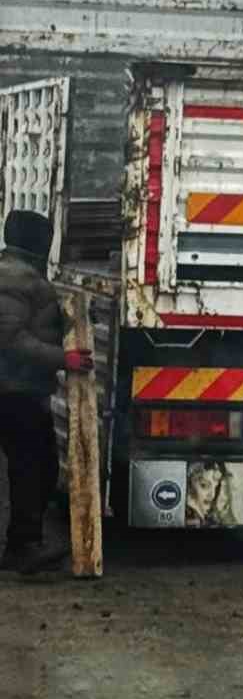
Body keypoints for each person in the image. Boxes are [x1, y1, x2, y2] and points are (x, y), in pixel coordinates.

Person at [0, 210, 92, 574]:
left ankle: (26, 541)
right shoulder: (16, 278)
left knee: (38, 465)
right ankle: (22, 546)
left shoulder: (20, 274)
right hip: (12, 390)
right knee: (31, 467)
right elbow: (8, 338)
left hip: (18, 388)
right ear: (39, 241)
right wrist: (63, 358)